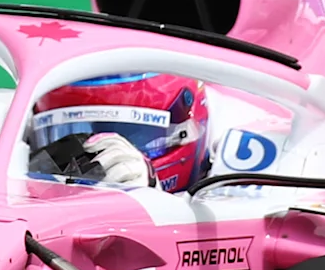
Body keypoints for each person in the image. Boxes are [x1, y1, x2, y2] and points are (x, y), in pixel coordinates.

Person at [25, 72, 208, 192]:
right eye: (69, 134)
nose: (96, 162)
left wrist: (152, 199)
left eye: (133, 134)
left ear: (182, 135)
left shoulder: (228, 196)